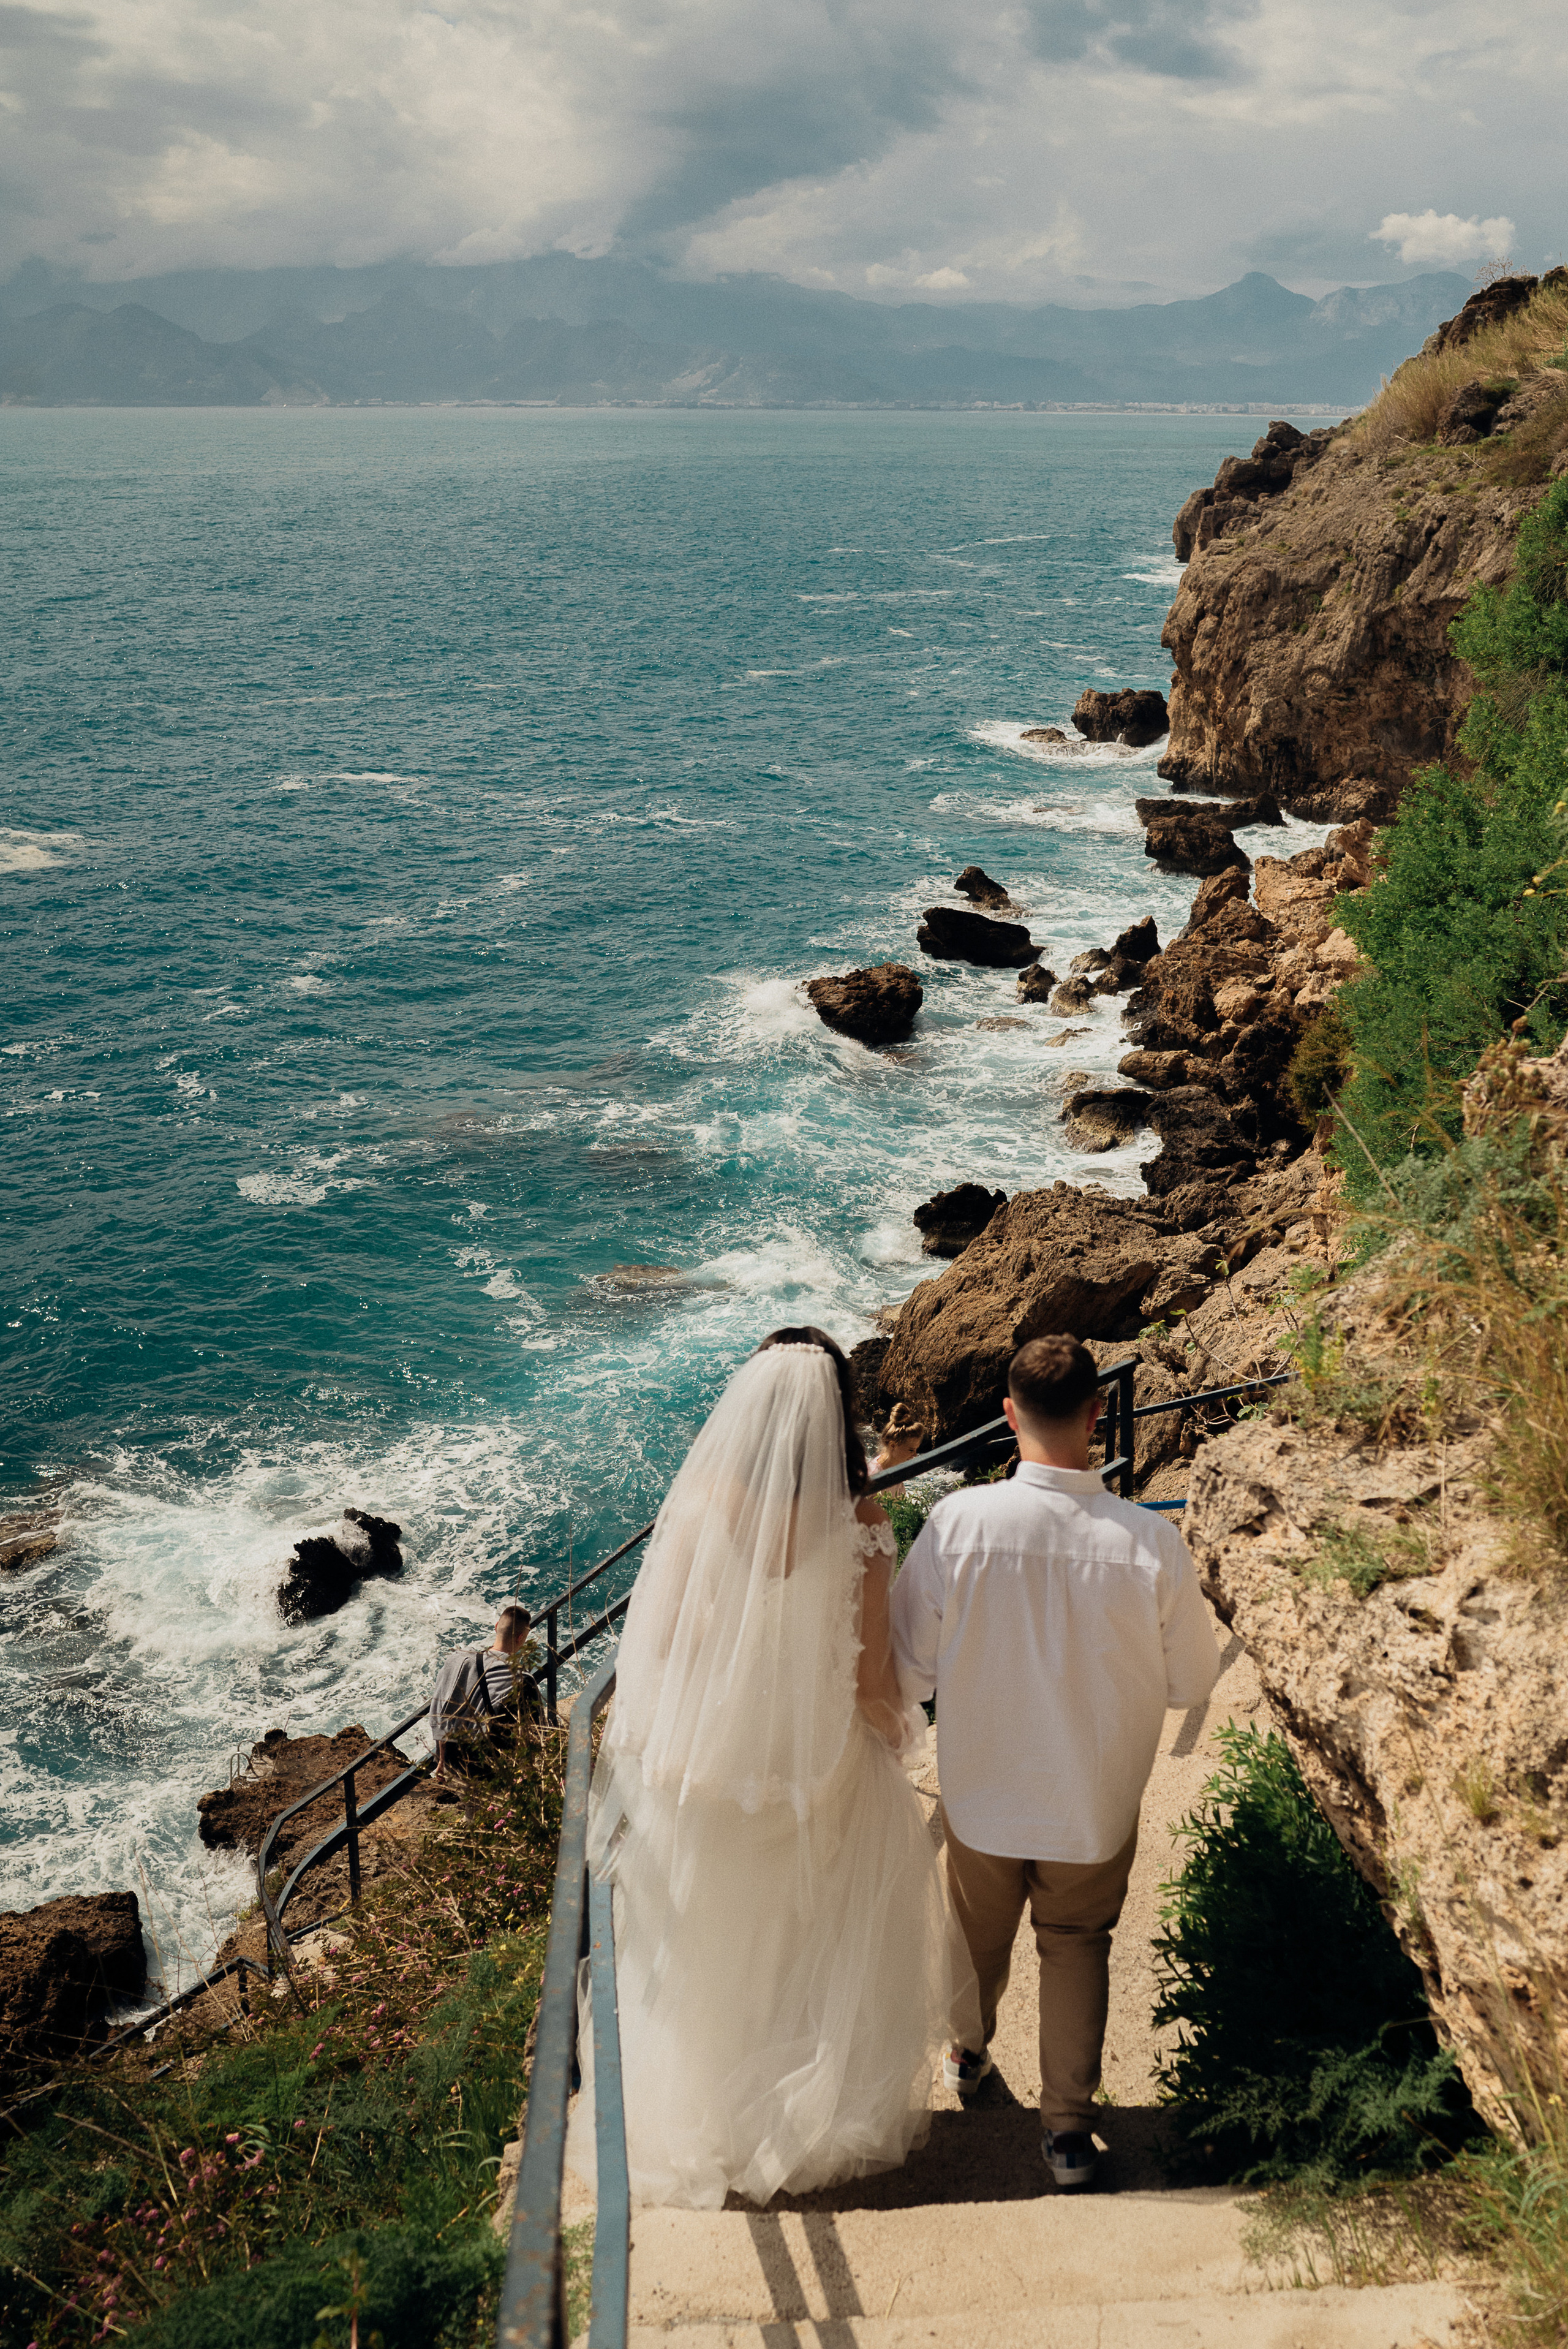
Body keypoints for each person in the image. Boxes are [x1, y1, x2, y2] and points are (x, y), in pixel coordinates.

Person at [575, 1326, 976, 2209]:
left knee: (708, 1941)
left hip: (708, 1763)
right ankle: (793, 2115)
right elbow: (871, 1677)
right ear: (838, 1413)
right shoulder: (863, 1521)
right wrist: (894, 1726)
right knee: (806, 1939)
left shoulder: (701, 1504)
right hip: (818, 1765)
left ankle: (703, 2117)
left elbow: (668, 1644)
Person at [891, 1333, 1219, 2192]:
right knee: (1077, 1943)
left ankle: (967, 2054)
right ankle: (1068, 2133)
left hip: (983, 1796)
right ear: (1098, 1413)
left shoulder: (959, 1521)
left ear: (1008, 1414)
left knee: (977, 1938)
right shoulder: (1151, 1542)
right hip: (1092, 1804)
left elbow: (910, 1667)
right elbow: (1190, 1681)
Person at [428, 1605, 540, 1779]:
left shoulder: (457, 1660)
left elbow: (440, 1711)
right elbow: (535, 1732)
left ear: (496, 1627)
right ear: (521, 1638)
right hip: (485, 1764)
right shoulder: (521, 1679)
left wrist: (441, 1762)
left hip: (452, 1758)